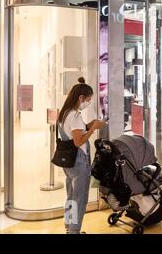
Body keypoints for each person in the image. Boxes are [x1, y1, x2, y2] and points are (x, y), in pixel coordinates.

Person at [57, 77, 106, 234]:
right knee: (80, 199)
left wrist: (88, 125)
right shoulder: (75, 116)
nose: (89, 103)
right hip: (78, 163)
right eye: (89, 100)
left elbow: (73, 133)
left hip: (68, 163)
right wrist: (93, 129)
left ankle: (70, 227)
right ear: (81, 98)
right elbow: (78, 141)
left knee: (71, 197)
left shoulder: (65, 113)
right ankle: (75, 231)